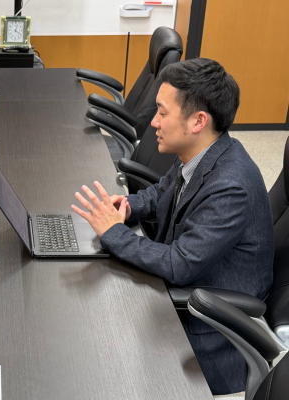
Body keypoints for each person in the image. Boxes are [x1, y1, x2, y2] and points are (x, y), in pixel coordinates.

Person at [72, 58, 274, 395]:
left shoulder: (231, 186)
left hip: (207, 331)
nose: (153, 122)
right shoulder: (203, 153)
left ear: (198, 121)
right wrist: (125, 207)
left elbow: (179, 265)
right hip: (177, 297)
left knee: (95, 355)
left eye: (162, 113)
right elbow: (160, 193)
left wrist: (113, 233)